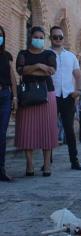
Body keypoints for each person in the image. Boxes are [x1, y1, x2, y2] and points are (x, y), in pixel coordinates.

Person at [15, 26, 58, 177]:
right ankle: (30, 164)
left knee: (47, 129)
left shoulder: (49, 54)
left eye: (41, 38)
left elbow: (51, 71)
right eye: (36, 37)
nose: (38, 40)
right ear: (30, 37)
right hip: (27, 95)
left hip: (47, 94)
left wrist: (30, 68)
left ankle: (47, 165)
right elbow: (20, 70)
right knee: (26, 129)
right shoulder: (23, 53)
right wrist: (39, 66)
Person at [49, 26, 81, 170]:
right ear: (50, 38)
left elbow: (78, 75)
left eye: (60, 37)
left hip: (68, 97)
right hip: (51, 96)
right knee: (50, 129)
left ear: (63, 39)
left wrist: (79, 90)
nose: (58, 39)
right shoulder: (46, 54)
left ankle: (74, 160)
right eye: (55, 37)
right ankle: (47, 162)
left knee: (69, 129)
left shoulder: (71, 56)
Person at [0, 25, 17, 181]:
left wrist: (15, 97)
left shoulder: (7, 56)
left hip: (5, 96)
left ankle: (2, 169)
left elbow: (12, 77)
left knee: (2, 134)